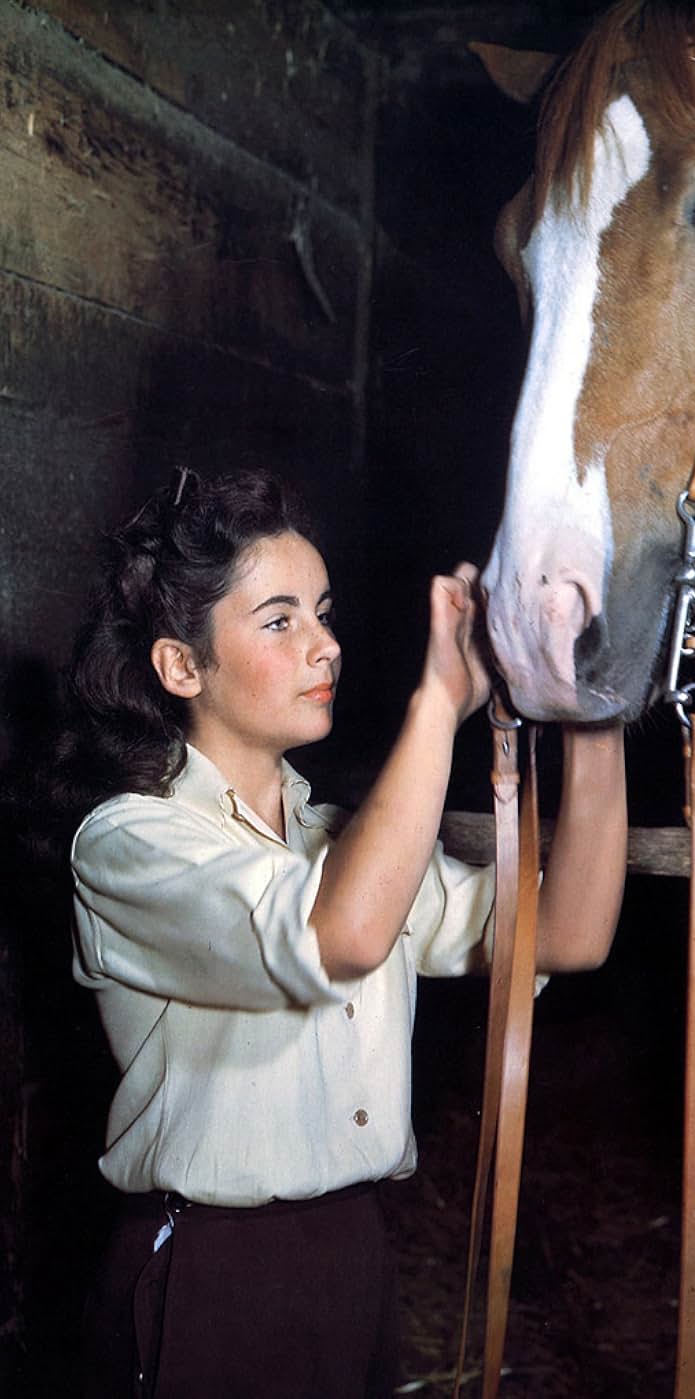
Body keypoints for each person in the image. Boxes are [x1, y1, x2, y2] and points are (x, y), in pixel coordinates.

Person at [60, 468, 627, 1398]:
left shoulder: (340, 844)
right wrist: (437, 704)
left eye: (323, 612)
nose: (325, 645)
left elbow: (565, 933)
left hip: (356, 1259)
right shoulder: (131, 844)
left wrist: (590, 700)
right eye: (280, 621)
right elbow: (341, 935)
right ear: (181, 665)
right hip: (211, 1271)